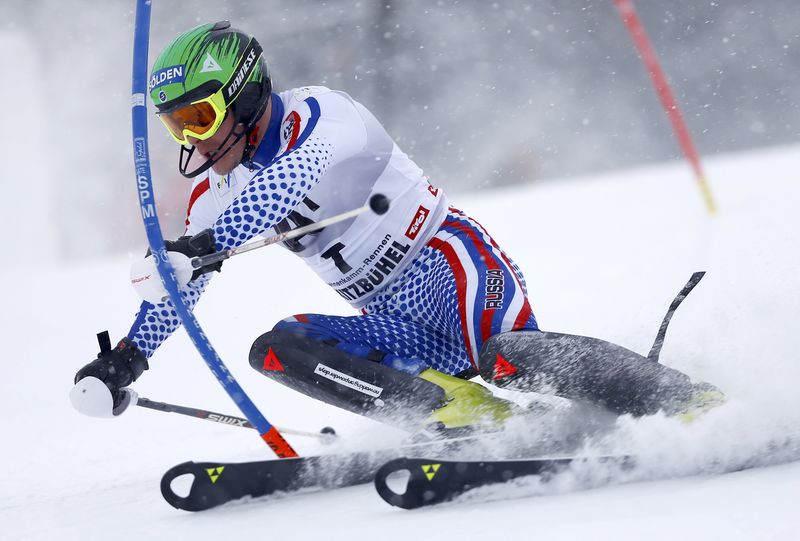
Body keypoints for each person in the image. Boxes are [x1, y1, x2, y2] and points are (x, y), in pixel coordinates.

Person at [73, 21, 723, 436]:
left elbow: (284, 185)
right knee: (277, 348)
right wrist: (129, 355)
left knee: (508, 357)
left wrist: (205, 246)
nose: (191, 139)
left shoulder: (322, 115)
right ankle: (460, 418)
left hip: (449, 267)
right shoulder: (215, 193)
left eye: (200, 117)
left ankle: (686, 399)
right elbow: (180, 286)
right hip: (388, 316)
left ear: (244, 97)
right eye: (175, 126)